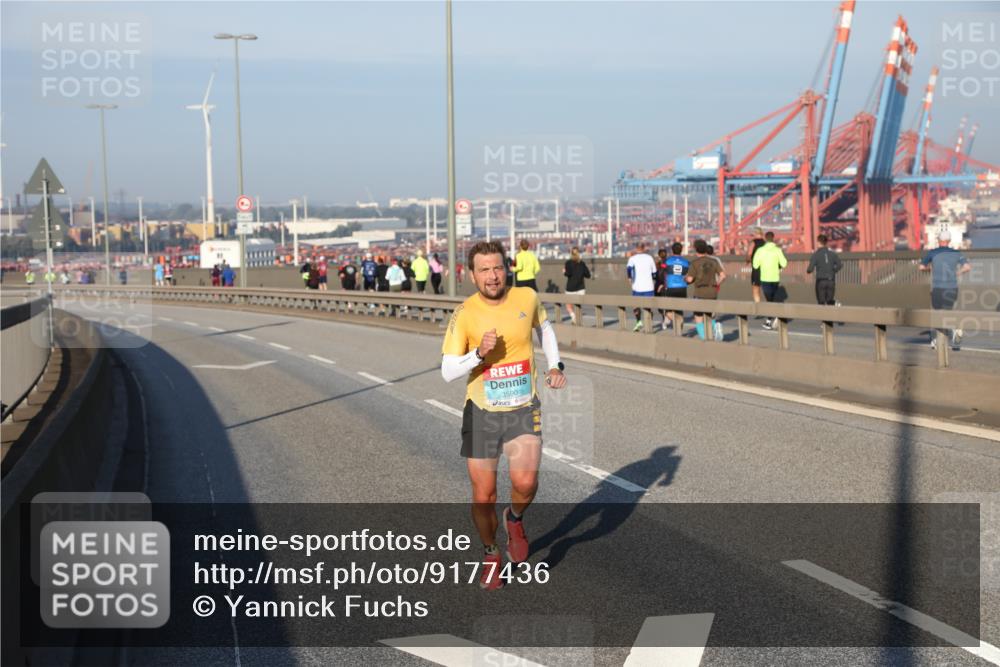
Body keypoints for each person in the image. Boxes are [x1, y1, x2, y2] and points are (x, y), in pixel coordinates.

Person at [440, 241, 566, 590]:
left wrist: (555, 364)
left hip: (524, 407)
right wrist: (478, 354)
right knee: (484, 495)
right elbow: (448, 370)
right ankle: (491, 552)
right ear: (472, 274)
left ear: (506, 268)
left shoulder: (527, 297)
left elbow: (546, 329)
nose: (492, 276)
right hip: (482, 412)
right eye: (484, 270)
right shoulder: (464, 313)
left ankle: (515, 518)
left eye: (497, 268)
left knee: (525, 484)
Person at [920, 229, 970, 350]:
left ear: (939, 241)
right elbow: (967, 267)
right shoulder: (956, 253)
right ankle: (955, 332)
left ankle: (936, 341)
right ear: (949, 241)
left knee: (937, 313)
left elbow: (921, 267)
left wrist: (930, 269)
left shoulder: (933, 253)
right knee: (948, 311)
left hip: (938, 287)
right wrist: (958, 273)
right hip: (952, 287)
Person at [686, 239, 726, 340]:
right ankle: (715, 325)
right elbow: (723, 275)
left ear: (696, 249)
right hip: (712, 292)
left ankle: (704, 338)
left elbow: (690, 279)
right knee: (709, 314)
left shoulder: (695, 263)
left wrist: (685, 278)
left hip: (699, 292)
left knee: (698, 317)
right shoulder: (714, 261)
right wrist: (717, 284)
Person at [752, 231, 787, 330]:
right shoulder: (778, 250)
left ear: (766, 239)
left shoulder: (760, 250)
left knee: (769, 300)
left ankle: (770, 320)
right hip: (775, 278)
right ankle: (774, 318)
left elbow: (755, 265)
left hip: (765, 278)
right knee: (772, 300)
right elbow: (784, 264)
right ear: (773, 238)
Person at [626, 242, 657, 332]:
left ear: (636, 249)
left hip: (637, 286)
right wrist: (653, 281)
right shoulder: (649, 258)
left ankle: (639, 321)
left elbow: (628, 269)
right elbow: (654, 273)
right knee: (648, 307)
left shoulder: (632, 258)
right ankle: (648, 325)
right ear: (644, 248)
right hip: (649, 286)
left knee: (636, 306)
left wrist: (629, 278)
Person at [660, 242, 690, 333]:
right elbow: (691, 274)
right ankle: (679, 332)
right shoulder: (686, 262)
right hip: (682, 288)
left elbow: (662, 272)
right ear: (681, 250)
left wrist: (663, 283)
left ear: (672, 250)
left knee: (668, 310)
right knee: (679, 310)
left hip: (671, 287)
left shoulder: (667, 261)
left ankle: (674, 321)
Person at [806, 234, 842, 306]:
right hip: (831, 280)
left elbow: (810, 269)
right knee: (829, 302)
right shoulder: (833, 254)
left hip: (821, 281)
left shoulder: (816, 254)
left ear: (818, 243)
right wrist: (834, 271)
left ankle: (824, 315)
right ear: (826, 243)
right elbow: (840, 265)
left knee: (821, 302)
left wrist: (808, 271)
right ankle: (834, 303)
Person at [563, 246, 591, 323]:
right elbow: (588, 275)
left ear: (571, 253)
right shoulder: (582, 263)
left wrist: (564, 272)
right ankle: (577, 318)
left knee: (568, 304)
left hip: (570, 288)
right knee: (578, 305)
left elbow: (568, 274)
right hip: (581, 288)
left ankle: (573, 316)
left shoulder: (568, 263)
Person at [747, 227, 766, 305]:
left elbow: (749, 253)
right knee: (765, 287)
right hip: (765, 267)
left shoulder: (753, 242)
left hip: (756, 267)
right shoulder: (765, 243)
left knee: (756, 287)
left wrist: (748, 261)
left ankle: (758, 306)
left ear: (755, 233)